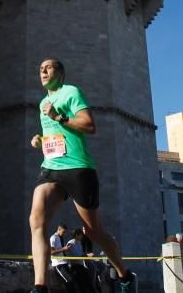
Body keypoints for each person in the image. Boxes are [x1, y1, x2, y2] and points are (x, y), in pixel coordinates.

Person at [28, 58, 137, 293]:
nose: (43, 71)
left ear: (61, 72)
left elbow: (89, 125)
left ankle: (125, 275)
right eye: (40, 69)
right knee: (36, 220)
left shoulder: (71, 92)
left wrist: (59, 117)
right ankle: (40, 287)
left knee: (93, 231)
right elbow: (56, 136)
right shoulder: (42, 103)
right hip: (51, 167)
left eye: (49, 67)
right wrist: (41, 140)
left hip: (78, 168)